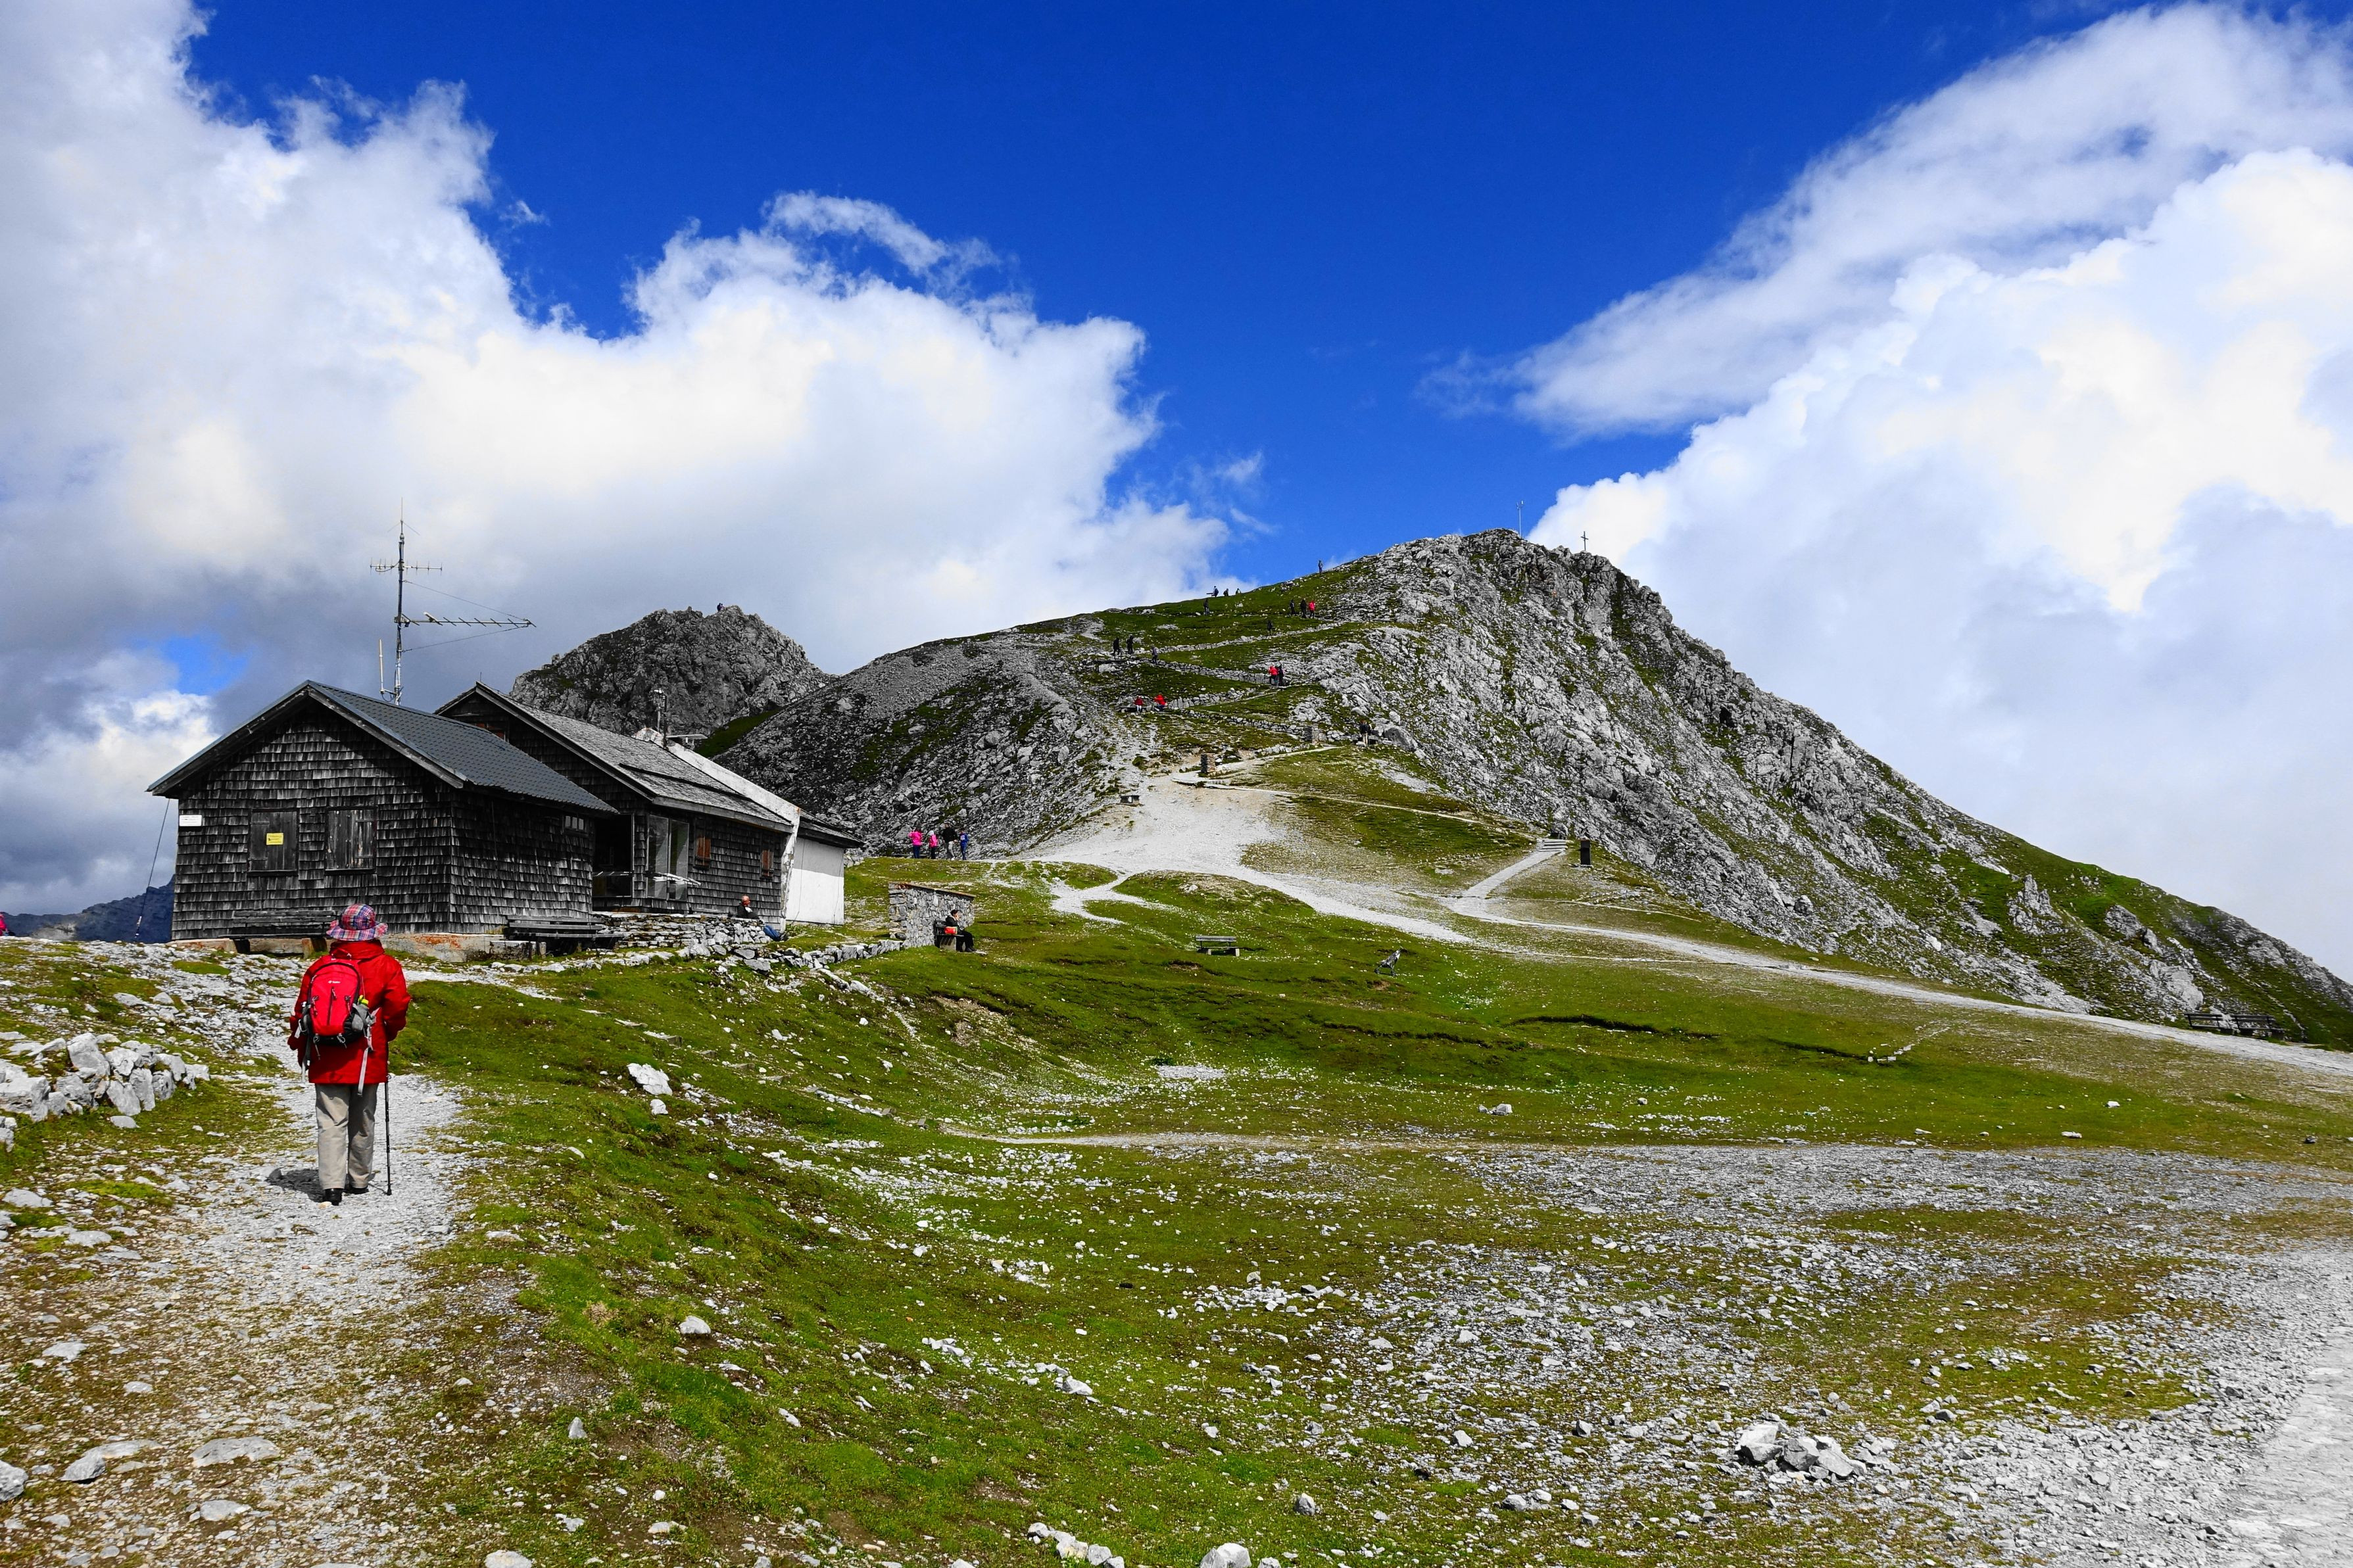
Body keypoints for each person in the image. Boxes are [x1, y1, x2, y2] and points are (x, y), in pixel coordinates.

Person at [287, 904, 408, 1206]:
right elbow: (397, 1008)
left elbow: (302, 1011)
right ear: (373, 932)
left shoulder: (321, 966)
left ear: (340, 933)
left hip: (325, 1053)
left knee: (330, 1120)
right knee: (363, 1117)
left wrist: (299, 1045)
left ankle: (331, 1186)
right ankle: (358, 1180)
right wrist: (386, 1034)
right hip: (369, 1051)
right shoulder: (387, 965)